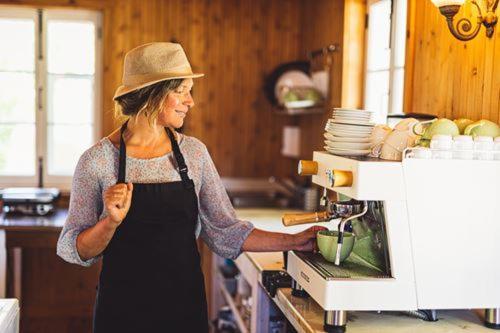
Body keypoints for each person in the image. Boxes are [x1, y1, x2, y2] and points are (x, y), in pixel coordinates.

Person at [57, 42, 323, 333]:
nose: (190, 101)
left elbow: (225, 231)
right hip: (122, 314)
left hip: (183, 311)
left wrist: (294, 241)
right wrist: (109, 223)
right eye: (181, 90)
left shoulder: (194, 154)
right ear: (154, 95)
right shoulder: (96, 161)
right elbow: (73, 249)